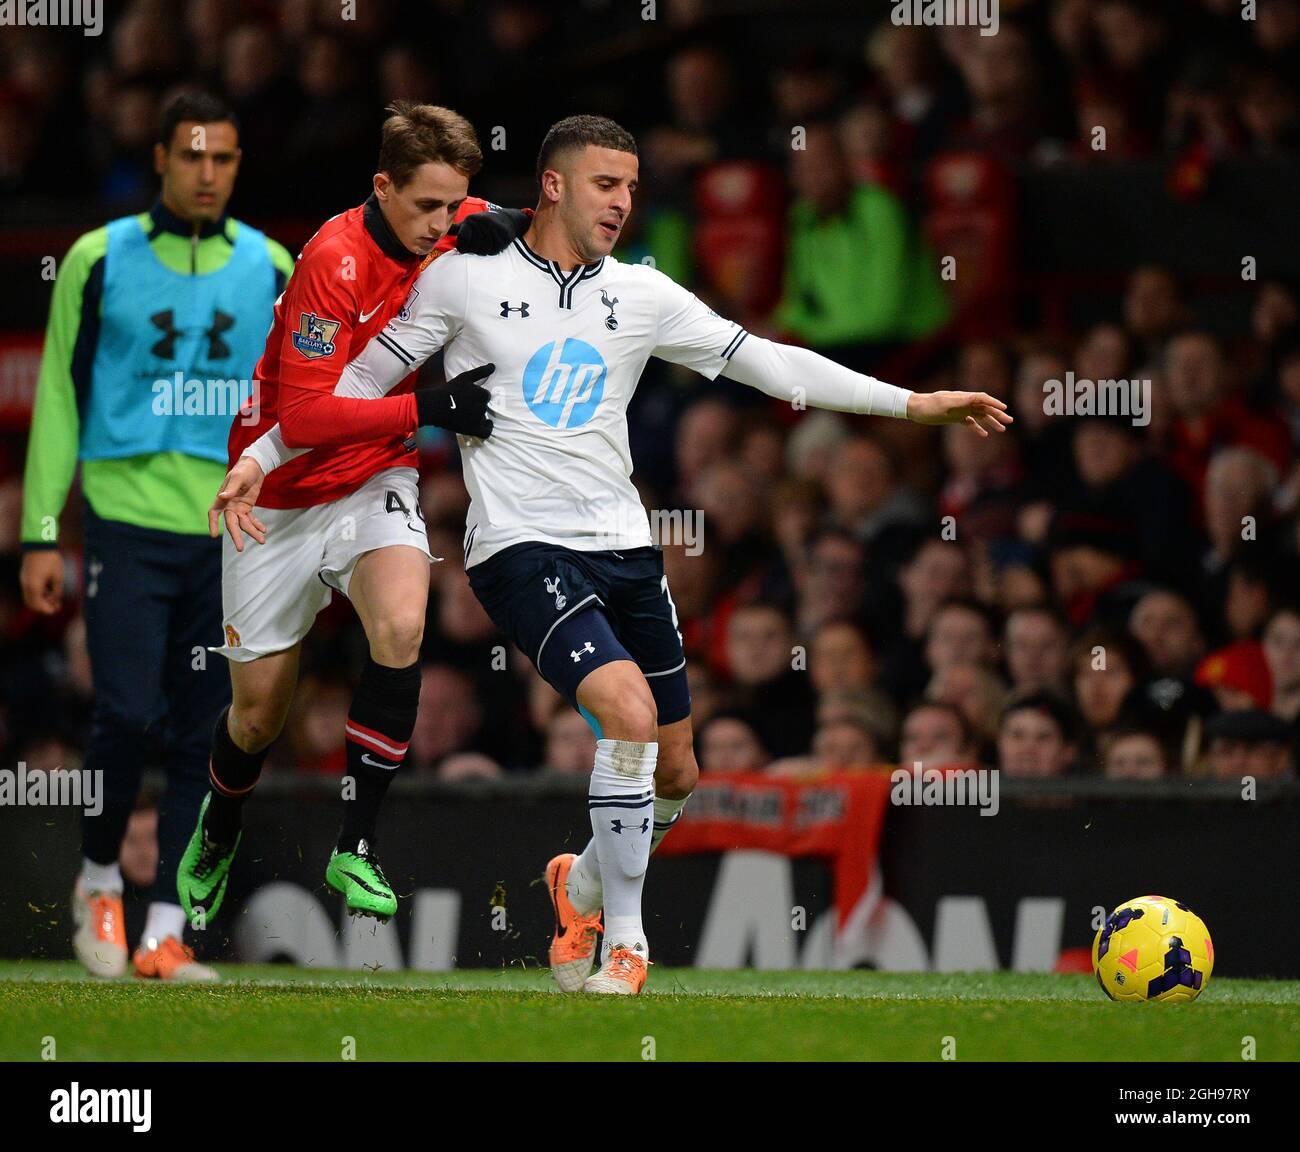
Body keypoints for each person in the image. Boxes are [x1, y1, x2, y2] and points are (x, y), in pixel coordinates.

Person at [221, 115, 1011, 994]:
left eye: (632, 188)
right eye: (606, 184)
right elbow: (356, 386)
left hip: (626, 550)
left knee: (677, 771)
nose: (623, 203)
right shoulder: (462, 276)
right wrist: (258, 461)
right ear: (554, 185)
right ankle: (625, 944)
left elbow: (775, 367)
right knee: (626, 715)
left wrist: (912, 403)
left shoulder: (643, 295)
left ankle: (584, 880)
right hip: (519, 548)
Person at [174, 102, 529, 931]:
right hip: (281, 490)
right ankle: (219, 826)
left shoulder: (451, 217)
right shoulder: (332, 261)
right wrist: (431, 406)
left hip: (374, 477)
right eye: (426, 209)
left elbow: (511, 222)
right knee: (260, 714)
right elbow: (304, 419)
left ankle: (355, 845)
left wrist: (507, 222)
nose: (442, 224)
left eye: (453, 205)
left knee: (403, 625)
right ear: (382, 186)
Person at [18, 93, 295, 981]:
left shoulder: (272, 265)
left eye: (224, 160)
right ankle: (99, 877)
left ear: (238, 165)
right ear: (162, 158)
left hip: (233, 532)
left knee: (200, 734)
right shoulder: (98, 259)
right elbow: (60, 396)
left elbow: (296, 404)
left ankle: (165, 932)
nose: (208, 175)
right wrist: (39, 531)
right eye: (193, 158)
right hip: (127, 524)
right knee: (126, 715)